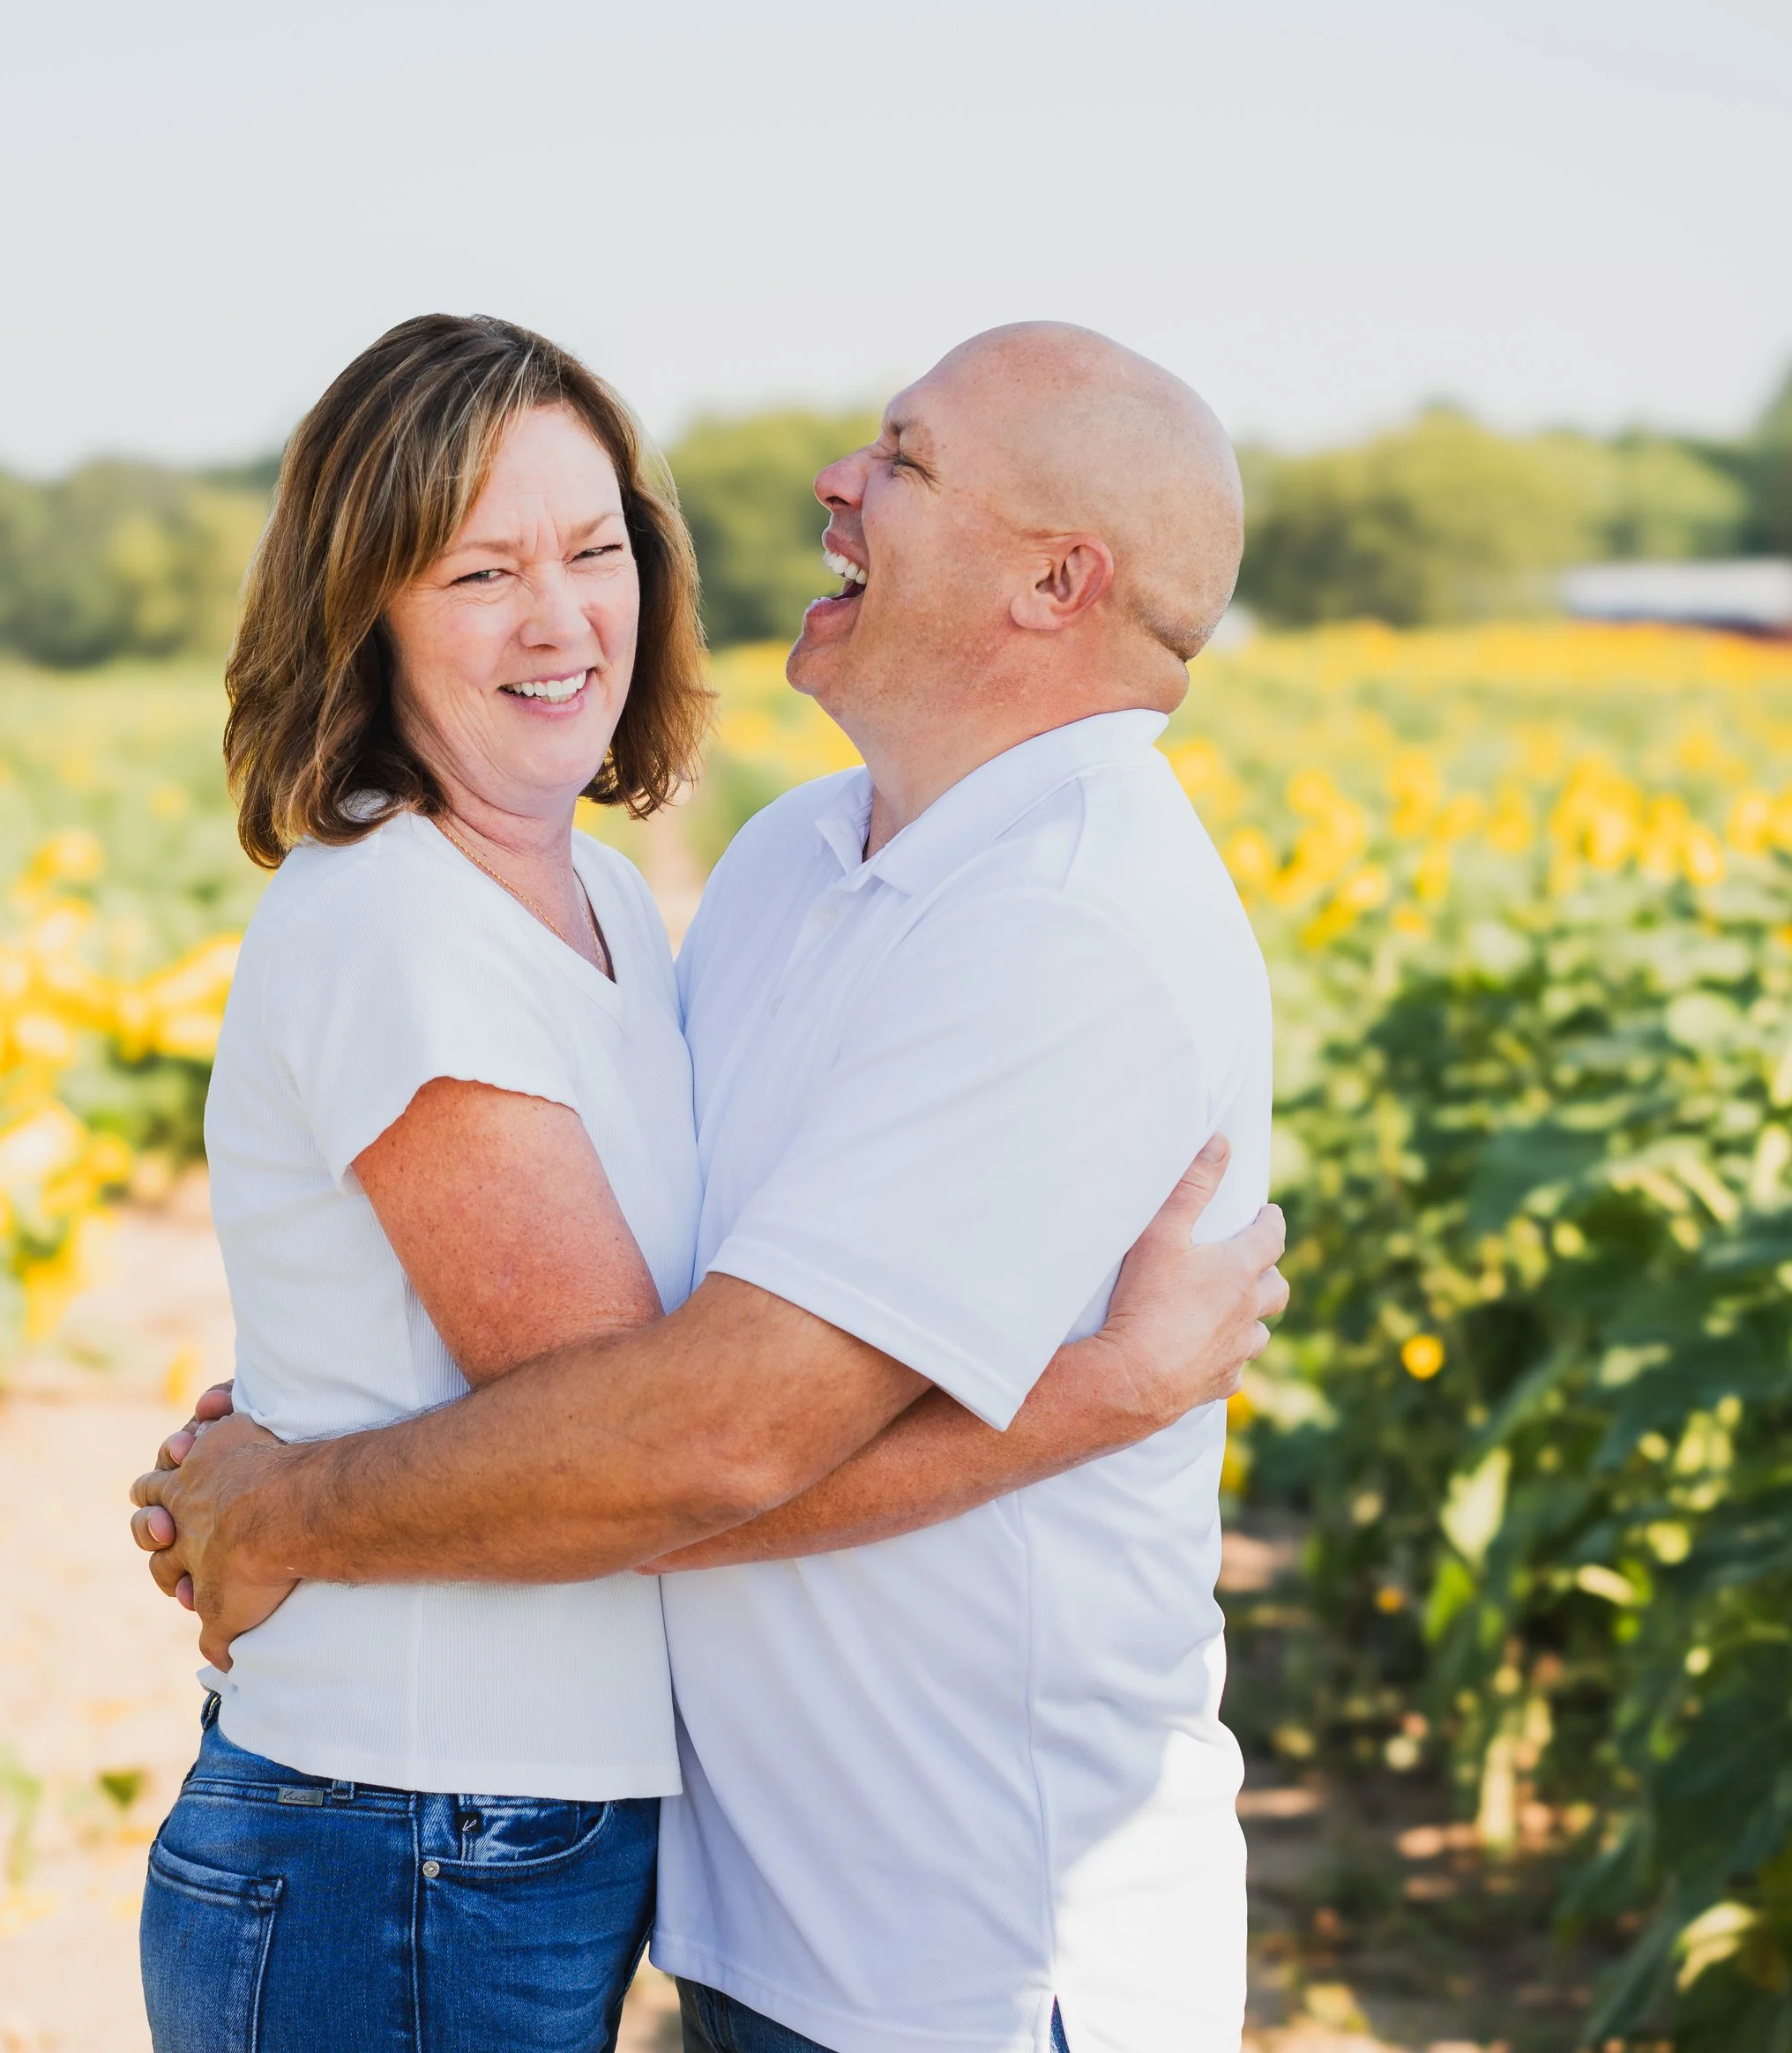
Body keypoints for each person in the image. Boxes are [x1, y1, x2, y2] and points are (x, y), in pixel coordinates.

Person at [131, 310, 1285, 2053]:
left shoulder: (1066, 926)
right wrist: (328, 1425)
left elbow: (687, 1441)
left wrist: (300, 1503)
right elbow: (624, 1401)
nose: (832, 478)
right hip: (702, 1899)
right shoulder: (783, 867)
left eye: (902, 459)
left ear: (1052, 584)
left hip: (971, 1948)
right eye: (477, 569)